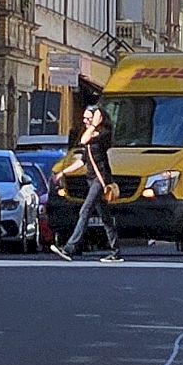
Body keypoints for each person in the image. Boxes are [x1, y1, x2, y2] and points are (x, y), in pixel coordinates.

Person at [51, 106, 122, 262]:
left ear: (97, 118)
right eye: (84, 118)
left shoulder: (104, 134)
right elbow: (82, 160)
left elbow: (83, 140)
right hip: (91, 180)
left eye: (88, 118)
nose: (85, 121)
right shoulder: (91, 135)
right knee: (105, 217)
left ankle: (69, 248)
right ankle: (116, 251)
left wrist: (94, 125)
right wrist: (63, 172)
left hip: (100, 179)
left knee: (85, 210)